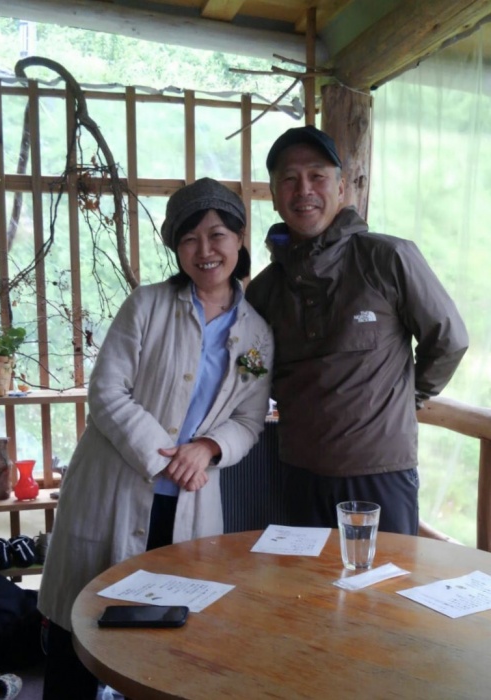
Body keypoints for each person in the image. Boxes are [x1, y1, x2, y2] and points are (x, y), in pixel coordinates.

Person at [38, 177, 273, 700]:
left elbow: (249, 419)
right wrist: (164, 456)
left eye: (217, 235)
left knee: (170, 643)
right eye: (189, 238)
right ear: (176, 248)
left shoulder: (257, 333)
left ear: (239, 239)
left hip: (190, 503)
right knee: (83, 633)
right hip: (112, 492)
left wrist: (208, 448)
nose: (205, 250)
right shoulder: (147, 305)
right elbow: (107, 391)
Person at [246, 124, 468, 536]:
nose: (304, 190)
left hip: (380, 472)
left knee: (383, 577)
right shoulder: (264, 289)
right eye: (289, 180)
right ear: (274, 196)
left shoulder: (388, 258)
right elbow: (252, 368)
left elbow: (449, 339)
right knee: (306, 578)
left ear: (341, 187)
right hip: (298, 471)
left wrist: (408, 397)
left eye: (317, 176)